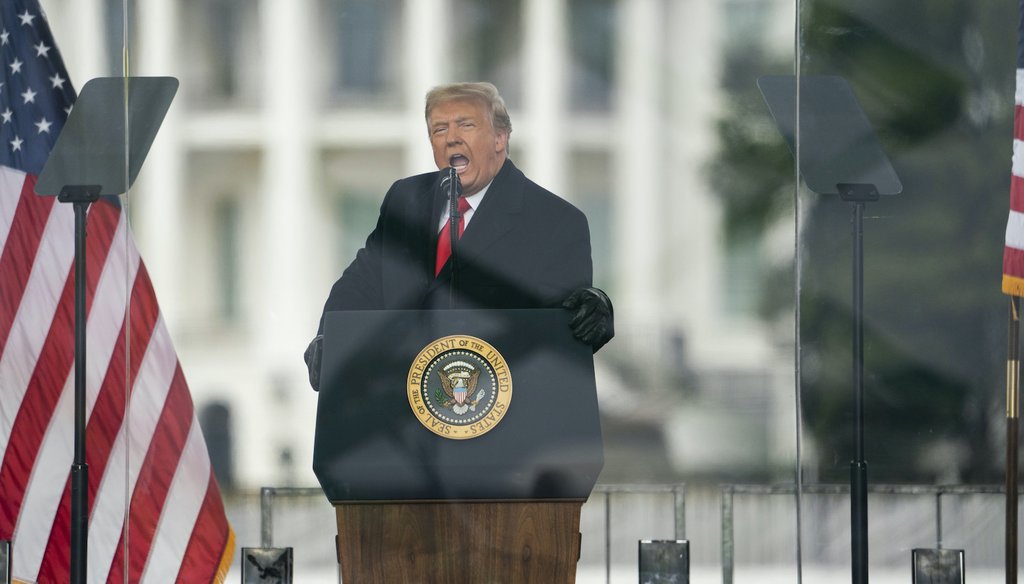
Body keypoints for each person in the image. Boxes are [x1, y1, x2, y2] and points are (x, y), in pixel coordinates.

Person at [304, 82, 612, 390]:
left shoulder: (554, 220)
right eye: (439, 130)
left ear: (499, 138)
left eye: (466, 125)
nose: (451, 138)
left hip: (500, 410)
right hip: (400, 408)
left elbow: (566, 322)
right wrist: (330, 338)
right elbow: (362, 283)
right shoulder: (406, 199)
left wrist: (594, 309)